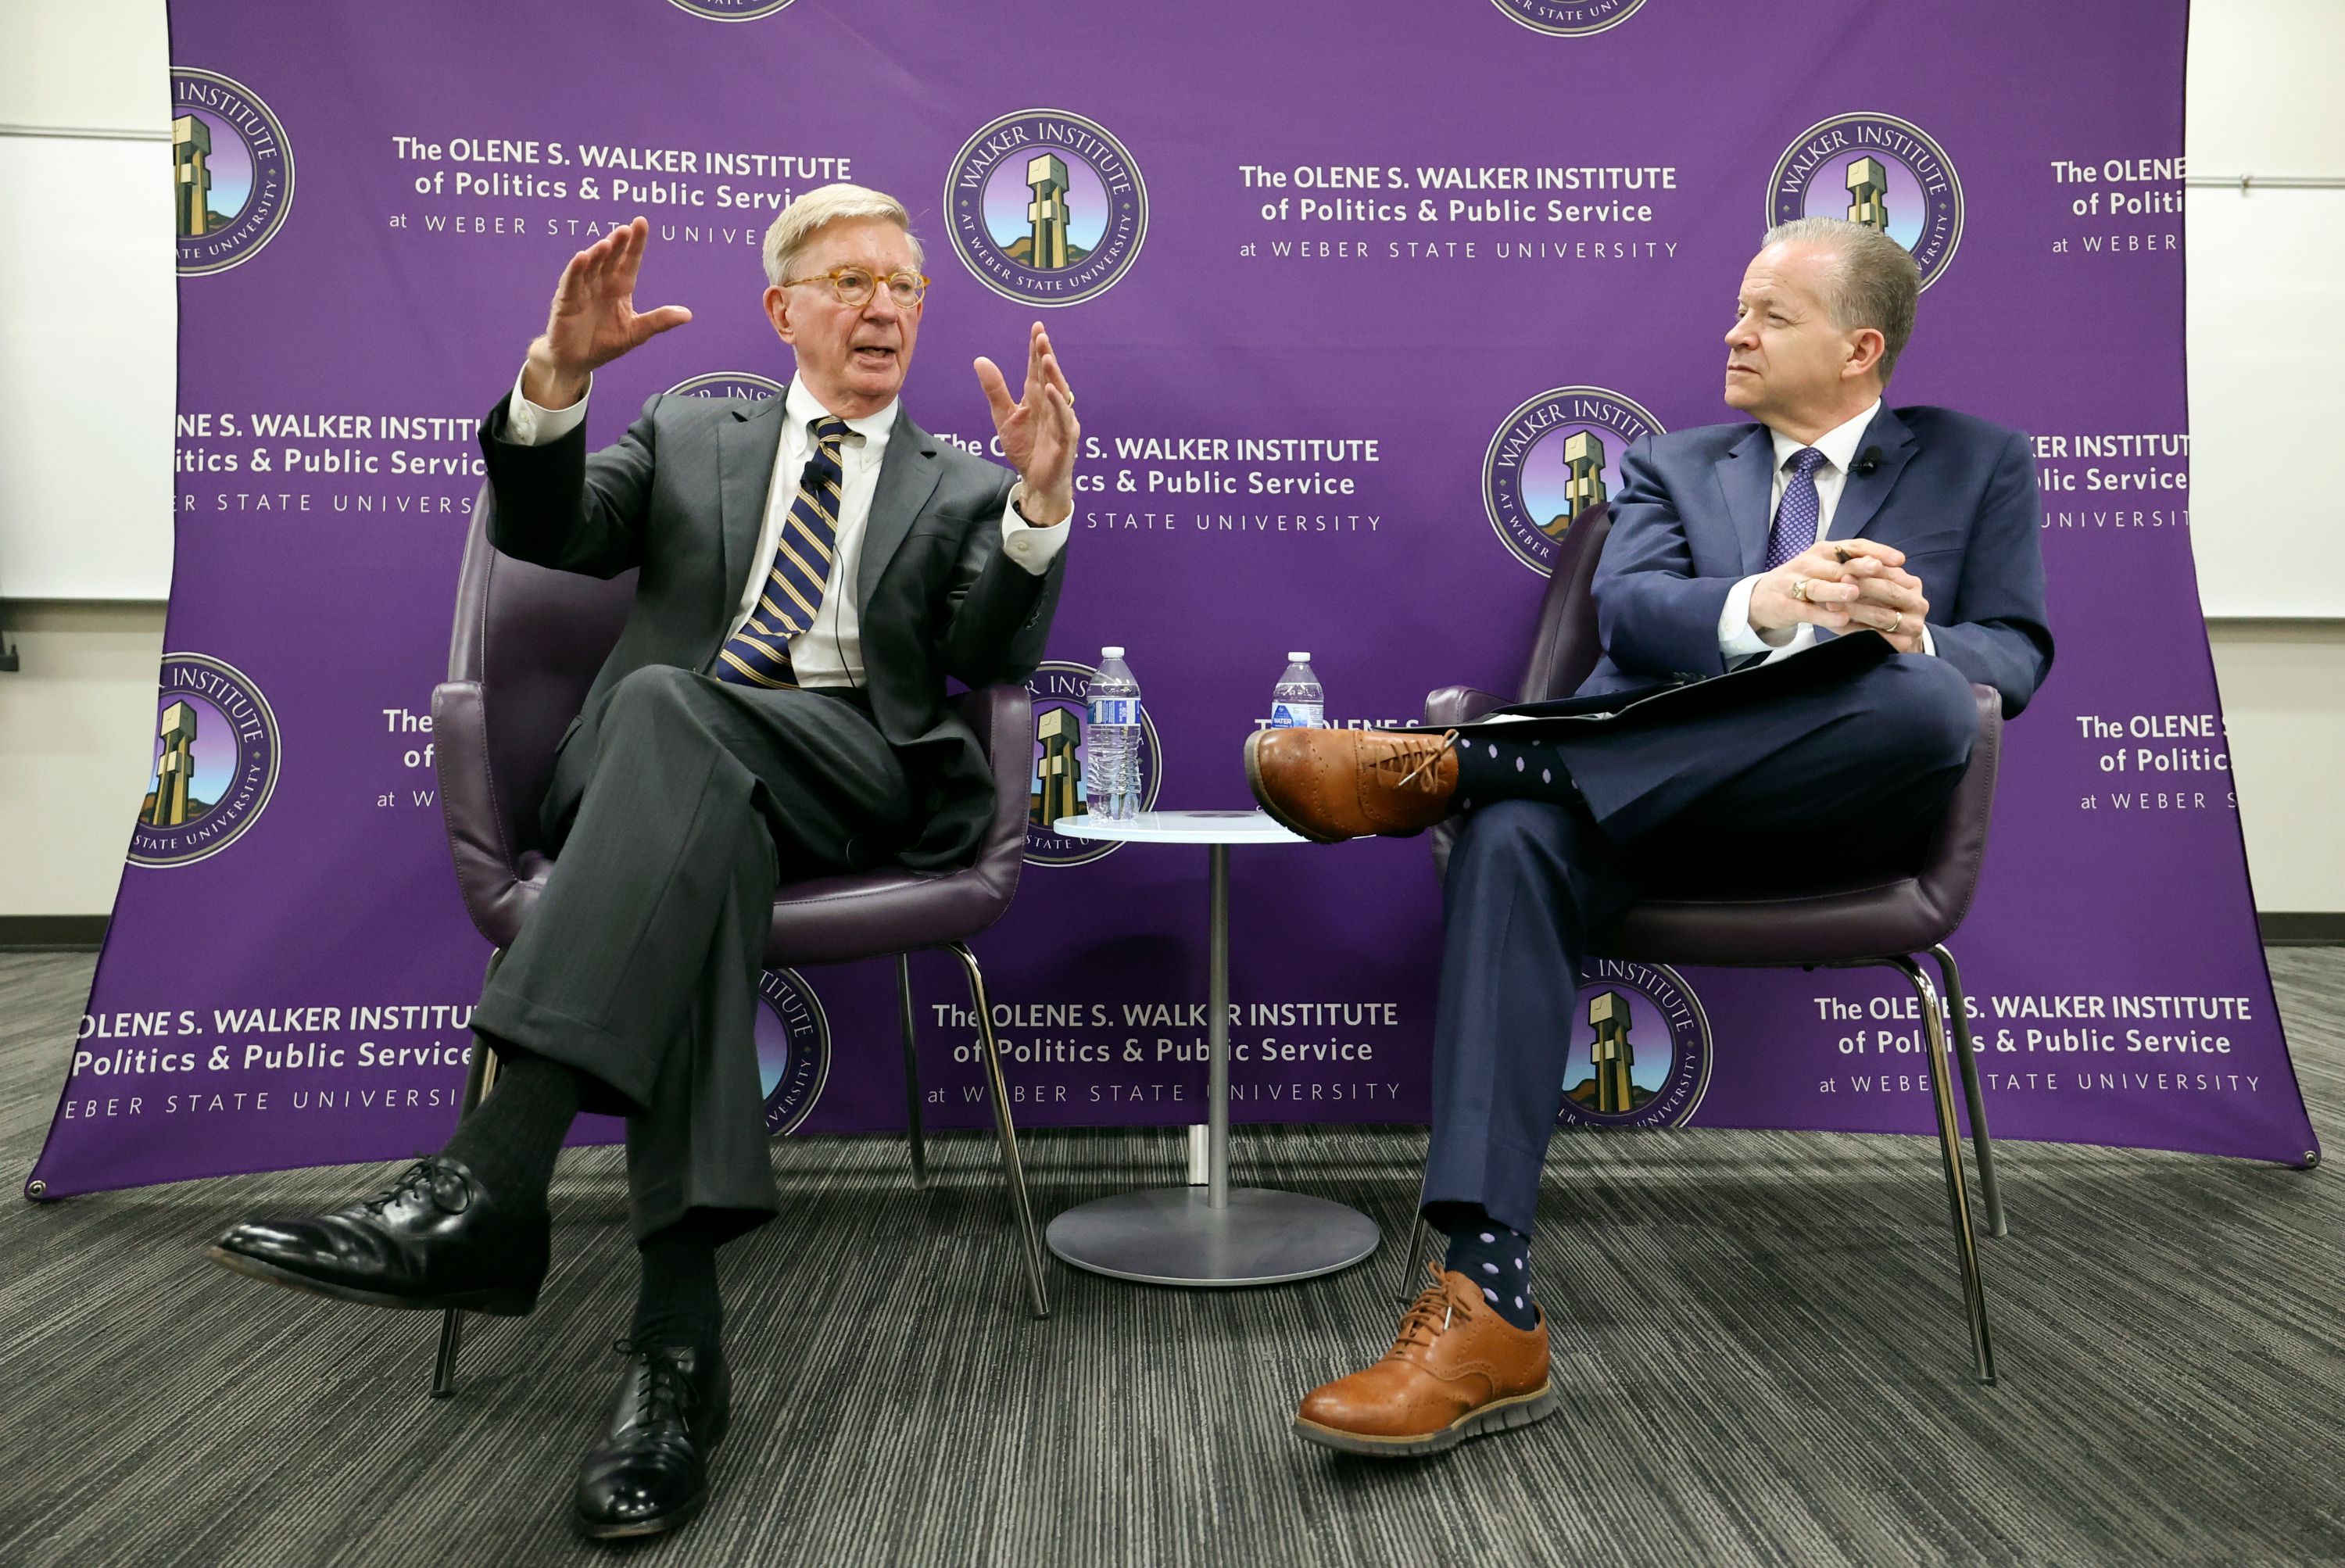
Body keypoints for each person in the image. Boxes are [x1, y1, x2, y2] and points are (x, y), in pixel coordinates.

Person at [205, 185, 1079, 1538]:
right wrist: (554, 384)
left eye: (903, 285)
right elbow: (549, 534)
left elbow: (994, 655)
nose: (885, 308)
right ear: (782, 309)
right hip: (658, 781)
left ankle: (492, 1174)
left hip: (853, 775)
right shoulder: (685, 429)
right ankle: (677, 1353)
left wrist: (1037, 507)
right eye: (850, 281)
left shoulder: (960, 483)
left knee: (678, 716)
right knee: (695, 809)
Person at [1246, 217, 2052, 1458]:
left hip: (1833, 820)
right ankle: (1486, 1300)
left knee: (1930, 700)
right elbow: (1629, 612)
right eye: (1739, 307)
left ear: (1859, 348)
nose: (1736, 332)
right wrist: (1763, 602)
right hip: (1640, 819)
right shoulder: (1676, 465)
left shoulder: (1977, 461)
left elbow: (2018, 652)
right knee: (1515, 834)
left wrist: (1914, 633)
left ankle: (1479, 759)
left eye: (1772, 315)